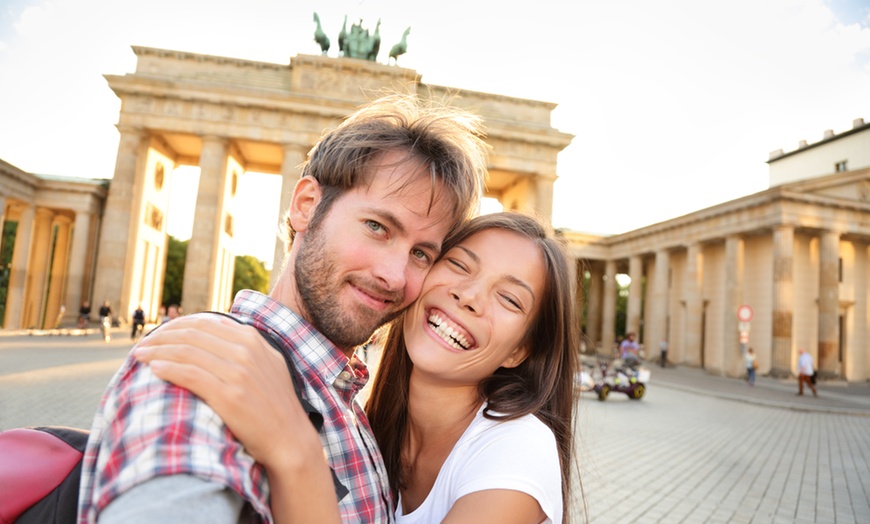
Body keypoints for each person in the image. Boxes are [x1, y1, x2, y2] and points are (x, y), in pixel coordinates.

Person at [77, 93, 488, 523]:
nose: (395, 275)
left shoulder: (343, 394)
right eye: (377, 227)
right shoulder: (206, 368)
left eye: (422, 253)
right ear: (306, 205)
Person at [134, 212, 577, 522]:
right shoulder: (368, 424)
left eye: (509, 299)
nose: (469, 296)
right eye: (458, 264)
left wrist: (295, 450)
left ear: (519, 352)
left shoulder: (518, 450)